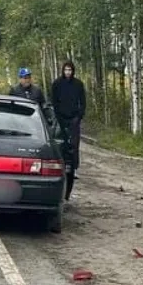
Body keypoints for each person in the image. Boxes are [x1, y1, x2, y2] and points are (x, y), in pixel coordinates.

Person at [50, 61, 86, 199]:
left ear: (73, 71)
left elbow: (83, 102)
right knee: (59, 143)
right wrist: (57, 117)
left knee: (74, 145)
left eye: (70, 70)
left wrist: (79, 116)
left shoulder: (78, 84)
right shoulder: (57, 84)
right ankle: (58, 164)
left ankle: (74, 167)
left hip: (73, 119)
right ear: (62, 71)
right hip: (60, 118)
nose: (68, 72)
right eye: (66, 70)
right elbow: (53, 101)